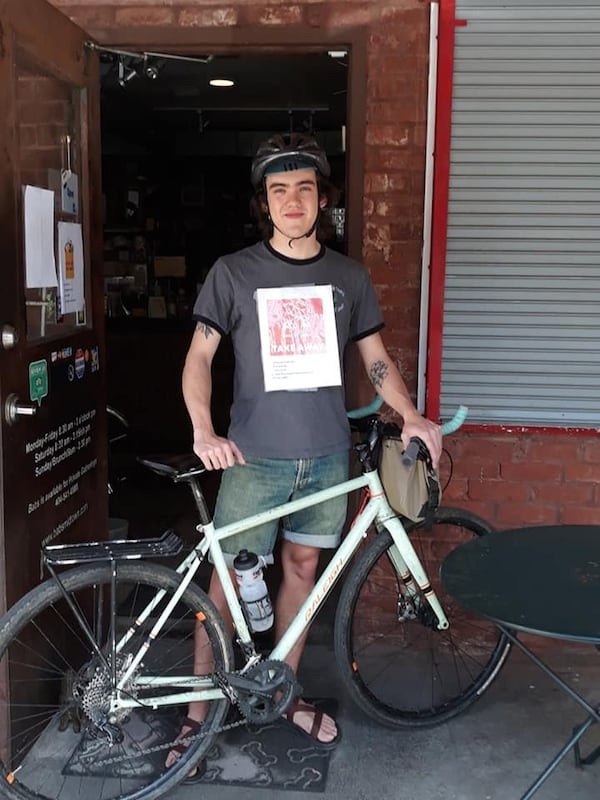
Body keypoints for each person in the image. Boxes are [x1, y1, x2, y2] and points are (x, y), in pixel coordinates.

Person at [166, 133, 442, 779]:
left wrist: (410, 414)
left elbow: (375, 361)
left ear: (323, 198)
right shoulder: (233, 272)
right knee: (229, 582)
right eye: (279, 190)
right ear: (265, 202)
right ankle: (198, 712)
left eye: (305, 188)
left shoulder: (348, 276)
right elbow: (199, 358)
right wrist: (203, 429)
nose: (293, 201)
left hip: (325, 456)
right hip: (252, 458)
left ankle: (282, 692)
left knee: (301, 569)